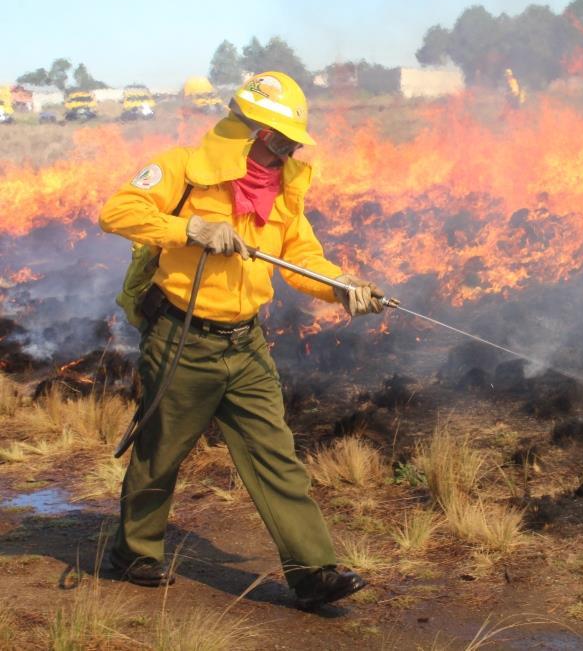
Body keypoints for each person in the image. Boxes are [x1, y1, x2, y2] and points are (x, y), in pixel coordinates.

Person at [98, 71, 383, 611]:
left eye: (292, 142)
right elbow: (117, 212)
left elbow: (301, 260)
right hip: (183, 337)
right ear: (248, 132)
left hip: (246, 344)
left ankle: (313, 572)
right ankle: (134, 551)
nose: (287, 151)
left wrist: (342, 287)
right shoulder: (182, 168)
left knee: (276, 455)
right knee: (161, 452)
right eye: (279, 140)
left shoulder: (284, 190)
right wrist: (190, 230)